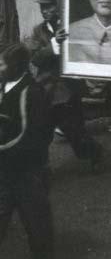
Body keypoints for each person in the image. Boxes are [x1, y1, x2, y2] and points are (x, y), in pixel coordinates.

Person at [26, 0, 104, 170]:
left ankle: (94, 152)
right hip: (45, 91)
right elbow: (36, 58)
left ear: (58, 7)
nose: (44, 11)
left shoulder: (72, 26)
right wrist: (54, 44)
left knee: (75, 133)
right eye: (42, 7)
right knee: (41, 132)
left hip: (68, 92)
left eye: (49, 7)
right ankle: (40, 167)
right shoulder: (39, 31)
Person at [0, 43, 54, 259]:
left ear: (17, 67)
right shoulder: (3, 86)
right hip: (4, 169)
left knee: (36, 221)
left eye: (2, 64)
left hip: (27, 171)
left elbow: (39, 135)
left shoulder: (32, 92)